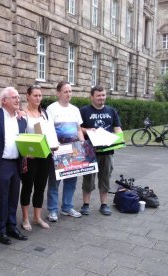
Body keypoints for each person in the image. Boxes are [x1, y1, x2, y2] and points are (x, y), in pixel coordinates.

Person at [0, 87, 28, 245]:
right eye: (14, 97)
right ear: (4, 100)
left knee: (13, 196)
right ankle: (1, 229)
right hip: (2, 162)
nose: (18, 100)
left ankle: (12, 226)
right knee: (1, 198)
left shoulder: (21, 120)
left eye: (18, 97)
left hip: (16, 162)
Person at [80, 85, 122, 216]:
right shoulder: (84, 111)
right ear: (92, 97)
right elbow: (78, 128)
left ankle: (104, 205)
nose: (101, 98)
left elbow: (117, 128)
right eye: (98, 95)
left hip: (107, 151)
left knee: (105, 178)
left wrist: (119, 138)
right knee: (88, 178)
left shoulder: (111, 111)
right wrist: (87, 130)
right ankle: (86, 204)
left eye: (103, 95)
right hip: (90, 151)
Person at [46, 81, 85, 222]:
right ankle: (52, 210)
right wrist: (53, 148)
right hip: (58, 151)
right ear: (58, 93)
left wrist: (82, 145)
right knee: (54, 183)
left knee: (71, 181)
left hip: (74, 151)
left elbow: (79, 129)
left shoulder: (75, 109)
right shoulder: (51, 109)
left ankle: (67, 207)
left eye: (70, 91)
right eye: (65, 91)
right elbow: (48, 130)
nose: (68, 94)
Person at [20, 84, 51, 231]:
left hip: (45, 155)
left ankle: (37, 217)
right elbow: (19, 136)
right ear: (28, 96)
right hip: (31, 156)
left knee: (40, 186)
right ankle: (25, 218)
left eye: (40, 95)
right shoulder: (23, 114)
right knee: (27, 187)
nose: (38, 98)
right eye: (35, 95)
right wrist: (25, 153)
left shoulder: (44, 113)